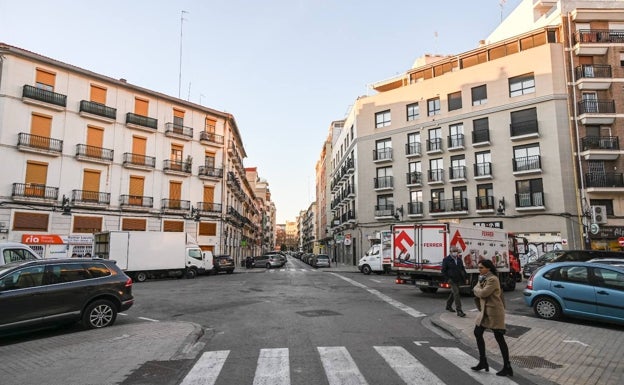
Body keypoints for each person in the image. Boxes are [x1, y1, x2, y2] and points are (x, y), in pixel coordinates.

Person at [471, 259, 513, 377]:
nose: (479, 270)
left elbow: (483, 293)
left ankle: (507, 366)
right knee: (477, 332)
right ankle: (483, 361)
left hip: (494, 312)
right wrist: (477, 288)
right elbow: (478, 289)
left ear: (488, 268)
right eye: (478, 268)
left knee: (499, 337)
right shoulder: (483, 278)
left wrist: (476, 289)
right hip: (484, 311)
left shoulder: (493, 279)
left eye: (481, 268)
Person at [441, 246, 467, 317]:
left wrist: (466, 277)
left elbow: (462, 269)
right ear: (451, 252)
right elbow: (443, 271)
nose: (455, 253)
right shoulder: (446, 260)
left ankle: (448, 305)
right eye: (454, 251)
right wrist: (448, 279)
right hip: (451, 279)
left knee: (454, 292)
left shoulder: (459, 259)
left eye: (456, 251)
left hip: (458, 279)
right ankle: (459, 310)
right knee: (456, 293)